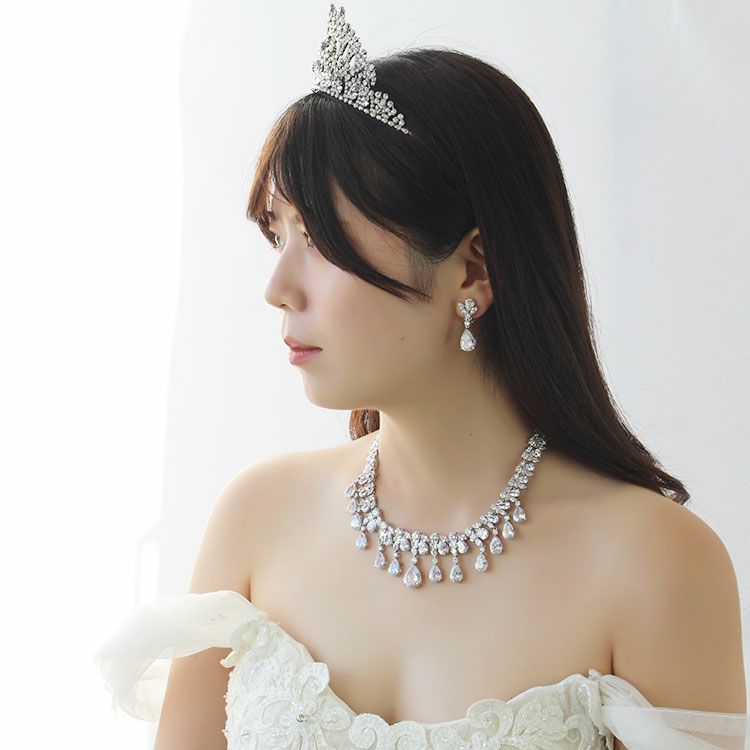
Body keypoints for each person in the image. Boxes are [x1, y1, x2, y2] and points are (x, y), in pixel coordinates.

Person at [94, 4, 749, 748]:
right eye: (278, 235)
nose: (278, 288)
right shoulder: (257, 517)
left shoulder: (653, 561)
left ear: (472, 269)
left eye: (320, 239)